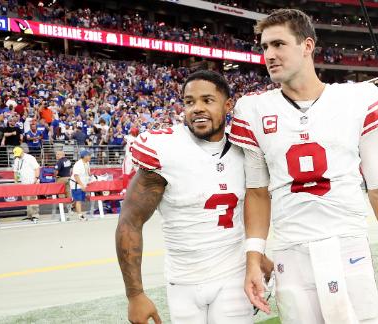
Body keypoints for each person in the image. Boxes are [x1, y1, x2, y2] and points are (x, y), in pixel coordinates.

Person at [229, 9, 378, 323]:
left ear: (307, 45)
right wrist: (253, 258)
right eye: (264, 47)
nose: (269, 55)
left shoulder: (358, 98)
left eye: (278, 44)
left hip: (348, 245)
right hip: (291, 252)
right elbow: (257, 192)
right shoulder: (252, 108)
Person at [116, 70, 272, 324]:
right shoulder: (164, 149)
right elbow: (129, 222)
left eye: (207, 100)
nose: (197, 108)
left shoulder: (246, 149)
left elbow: (248, 208)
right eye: (190, 102)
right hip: (183, 281)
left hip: (233, 277)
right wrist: (135, 294)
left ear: (228, 105)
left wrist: (258, 256)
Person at [12, 146, 41, 222]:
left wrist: (36, 178)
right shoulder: (17, 159)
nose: (17, 156)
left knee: (33, 198)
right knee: (25, 199)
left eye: (18, 154)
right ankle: (29, 215)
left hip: (32, 181)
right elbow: (15, 171)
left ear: (22, 152)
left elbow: (37, 168)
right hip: (23, 182)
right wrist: (16, 181)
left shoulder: (30, 158)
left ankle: (35, 215)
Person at [70, 150, 92, 221]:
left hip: (83, 183)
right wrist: (82, 185)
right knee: (78, 200)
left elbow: (88, 172)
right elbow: (76, 175)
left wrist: (90, 176)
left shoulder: (87, 163)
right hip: (76, 184)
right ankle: (80, 215)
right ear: (84, 156)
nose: (90, 157)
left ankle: (72, 206)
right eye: (89, 155)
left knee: (80, 199)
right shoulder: (78, 164)